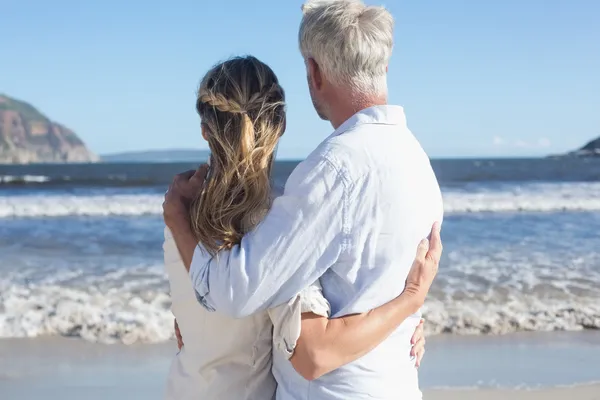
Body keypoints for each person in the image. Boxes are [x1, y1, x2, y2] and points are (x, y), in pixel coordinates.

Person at [165, 0, 444, 398]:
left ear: (314, 72)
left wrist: (177, 217)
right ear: (384, 65)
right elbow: (381, 272)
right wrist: (412, 306)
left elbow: (234, 294)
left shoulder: (334, 170)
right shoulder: (417, 161)